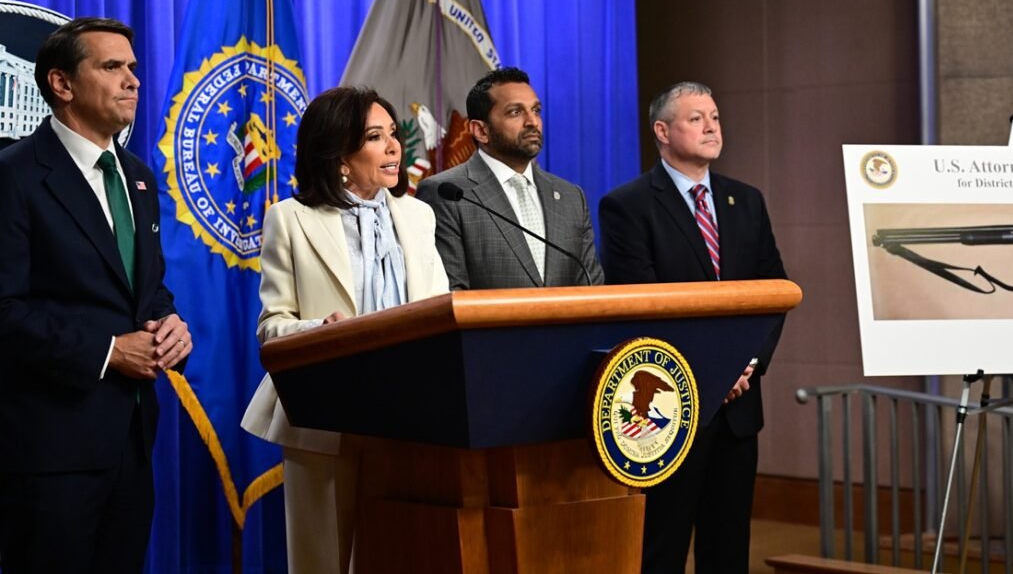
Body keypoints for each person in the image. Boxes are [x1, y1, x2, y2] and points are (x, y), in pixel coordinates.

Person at [0, 17, 193, 573]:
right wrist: (109, 351)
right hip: (49, 450)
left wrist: (170, 322)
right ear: (62, 84)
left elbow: (142, 287)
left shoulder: (137, 176)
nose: (133, 79)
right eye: (112, 67)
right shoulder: (13, 176)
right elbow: (5, 311)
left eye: (133, 68)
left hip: (131, 442)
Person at [241, 86, 449, 574]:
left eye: (393, 134)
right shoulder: (290, 220)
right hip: (326, 413)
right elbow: (272, 328)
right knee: (324, 561)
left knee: (407, 554)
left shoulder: (419, 216)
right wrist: (324, 329)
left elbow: (440, 310)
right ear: (339, 157)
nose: (395, 147)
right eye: (375, 137)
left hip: (414, 418)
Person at [597, 81, 788, 574]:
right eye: (696, 118)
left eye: (716, 117)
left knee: (728, 551)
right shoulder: (628, 205)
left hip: (738, 408)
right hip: (670, 408)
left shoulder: (746, 201)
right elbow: (642, 304)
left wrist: (745, 364)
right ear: (662, 131)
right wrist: (710, 372)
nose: (711, 127)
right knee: (661, 548)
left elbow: (775, 292)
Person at [416, 67, 604, 288]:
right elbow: (451, 295)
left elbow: (592, 290)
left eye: (536, 110)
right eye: (516, 112)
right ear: (480, 131)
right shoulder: (447, 194)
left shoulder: (571, 197)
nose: (532, 122)